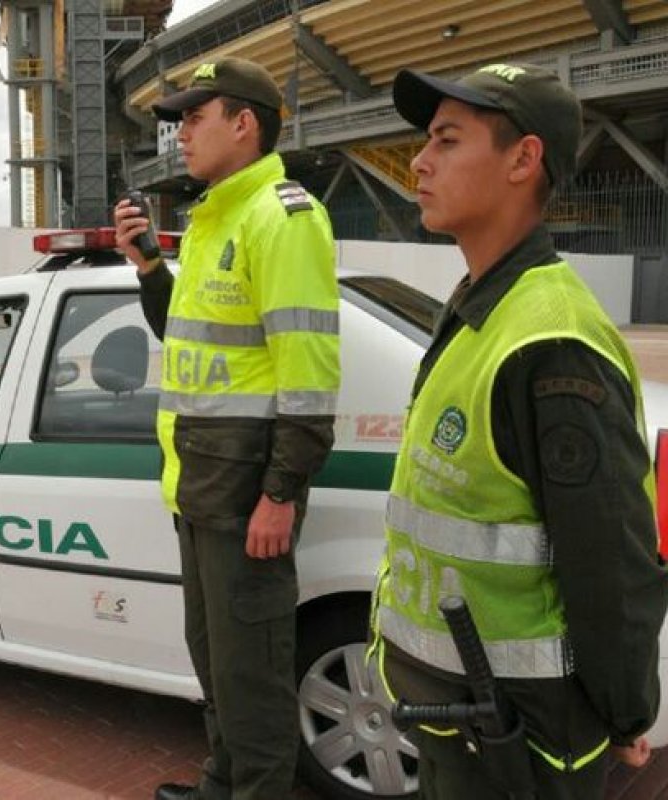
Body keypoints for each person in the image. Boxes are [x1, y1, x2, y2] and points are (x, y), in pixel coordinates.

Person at [370, 63, 668, 798]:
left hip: (521, 740)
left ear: (523, 159)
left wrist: (627, 710)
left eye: (447, 139)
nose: (420, 160)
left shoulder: (551, 342)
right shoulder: (480, 305)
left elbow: (611, 560)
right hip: (460, 718)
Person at [114, 57, 340, 800]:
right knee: (213, 658)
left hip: (247, 496)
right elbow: (185, 336)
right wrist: (149, 264)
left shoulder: (282, 217)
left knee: (253, 673)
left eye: (193, 117)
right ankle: (223, 782)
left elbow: (307, 376)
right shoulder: (216, 217)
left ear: (244, 123)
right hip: (200, 486)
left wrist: (281, 493)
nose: (179, 134)